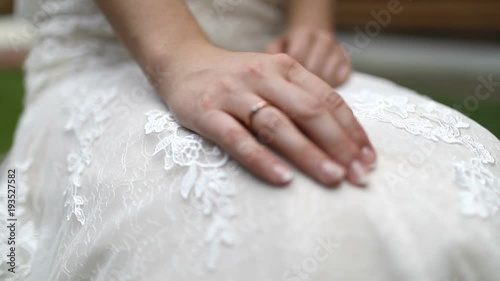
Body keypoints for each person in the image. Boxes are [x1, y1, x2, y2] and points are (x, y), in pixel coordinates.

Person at [1, 0, 499, 280]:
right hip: (109, 58)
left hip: (269, 56)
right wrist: (179, 55)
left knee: (445, 175)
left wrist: (311, 28)